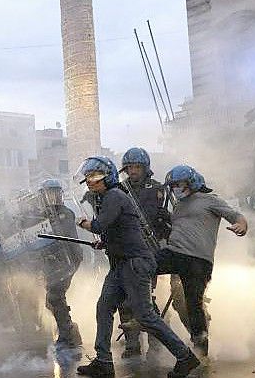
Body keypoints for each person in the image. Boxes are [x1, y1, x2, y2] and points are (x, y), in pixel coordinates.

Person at [74, 157, 198, 378]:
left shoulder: (114, 195)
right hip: (120, 264)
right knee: (104, 307)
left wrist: (84, 224)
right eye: (88, 177)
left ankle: (185, 357)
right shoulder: (106, 197)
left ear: (108, 177)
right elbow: (118, 230)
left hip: (134, 264)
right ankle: (103, 361)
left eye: (94, 176)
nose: (90, 181)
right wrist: (105, 241)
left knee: (145, 316)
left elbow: (100, 225)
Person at [156, 165, 247, 357]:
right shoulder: (179, 205)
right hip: (175, 254)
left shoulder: (210, 200)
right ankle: (145, 311)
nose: (175, 189)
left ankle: (201, 350)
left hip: (198, 260)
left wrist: (241, 225)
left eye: (178, 184)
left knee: (193, 303)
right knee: (141, 266)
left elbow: (235, 216)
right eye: (172, 186)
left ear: (191, 182)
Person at [116, 147, 170, 358]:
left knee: (143, 298)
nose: (133, 171)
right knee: (124, 298)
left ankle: (155, 340)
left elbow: (166, 220)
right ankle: (132, 343)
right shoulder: (120, 190)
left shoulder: (158, 190)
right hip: (125, 251)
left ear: (145, 168)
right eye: (129, 167)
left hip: (149, 251)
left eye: (137, 167)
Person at [35, 179, 84, 363]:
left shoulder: (65, 213)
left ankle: (66, 337)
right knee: (51, 301)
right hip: (51, 265)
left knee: (56, 296)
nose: (53, 197)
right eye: (49, 194)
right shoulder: (40, 216)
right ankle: (70, 329)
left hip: (68, 260)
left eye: (56, 193)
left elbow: (66, 237)